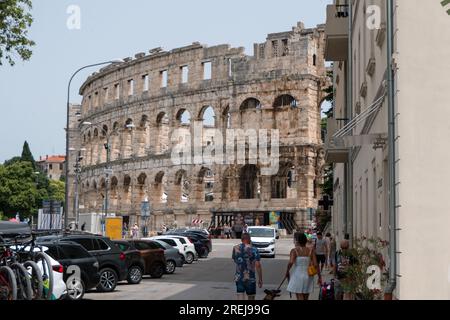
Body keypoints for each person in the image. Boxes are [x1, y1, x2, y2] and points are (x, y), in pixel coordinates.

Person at [286, 232, 321, 300]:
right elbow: (316, 265)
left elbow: (290, 262)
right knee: (305, 297)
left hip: (297, 275)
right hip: (308, 275)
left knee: (299, 296)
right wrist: (319, 277)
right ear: (305, 241)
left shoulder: (294, 251)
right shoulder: (311, 251)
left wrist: (287, 271)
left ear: (298, 241)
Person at [232, 233, 263, 300]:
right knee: (251, 297)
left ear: (241, 239)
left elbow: (235, 260)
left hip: (239, 278)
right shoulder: (254, 249)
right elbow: (258, 265)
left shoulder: (235, 248)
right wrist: (260, 279)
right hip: (250, 278)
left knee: (240, 296)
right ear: (249, 239)